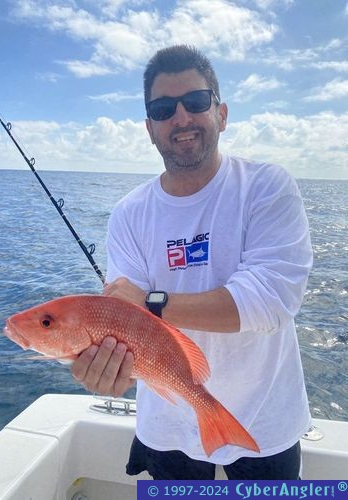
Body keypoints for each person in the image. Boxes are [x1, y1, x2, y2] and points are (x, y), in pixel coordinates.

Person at [72, 45, 313, 480]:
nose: (181, 118)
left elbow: (270, 300)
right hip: (167, 427)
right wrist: (106, 367)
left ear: (221, 113)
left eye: (196, 102)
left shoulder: (267, 186)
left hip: (265, 421)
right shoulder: (128, 213)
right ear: (149, 128)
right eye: (164, 109)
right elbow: (123, 322)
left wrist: (151, 302)